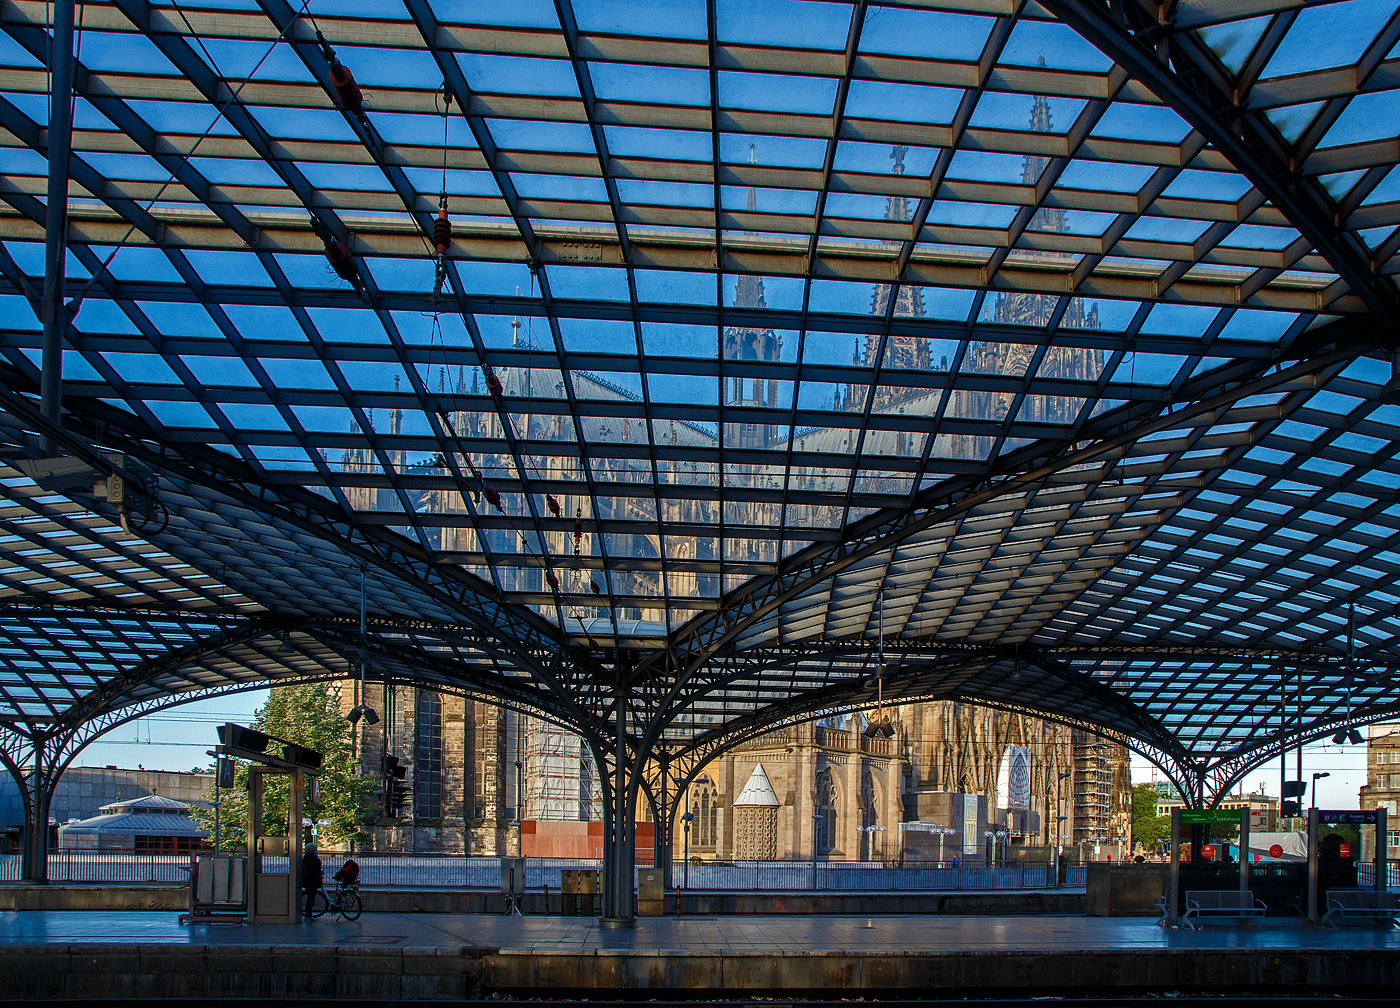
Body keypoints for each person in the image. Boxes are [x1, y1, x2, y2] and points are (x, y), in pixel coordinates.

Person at [302, 843, 323, 920]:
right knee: (311, 898)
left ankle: (308, 915)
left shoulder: (306, 858)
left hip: (306, 880)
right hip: (312, 881)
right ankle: (308, 915)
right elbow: (314, 869)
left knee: (310, 897)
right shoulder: (313, 858)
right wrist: (319, 874)